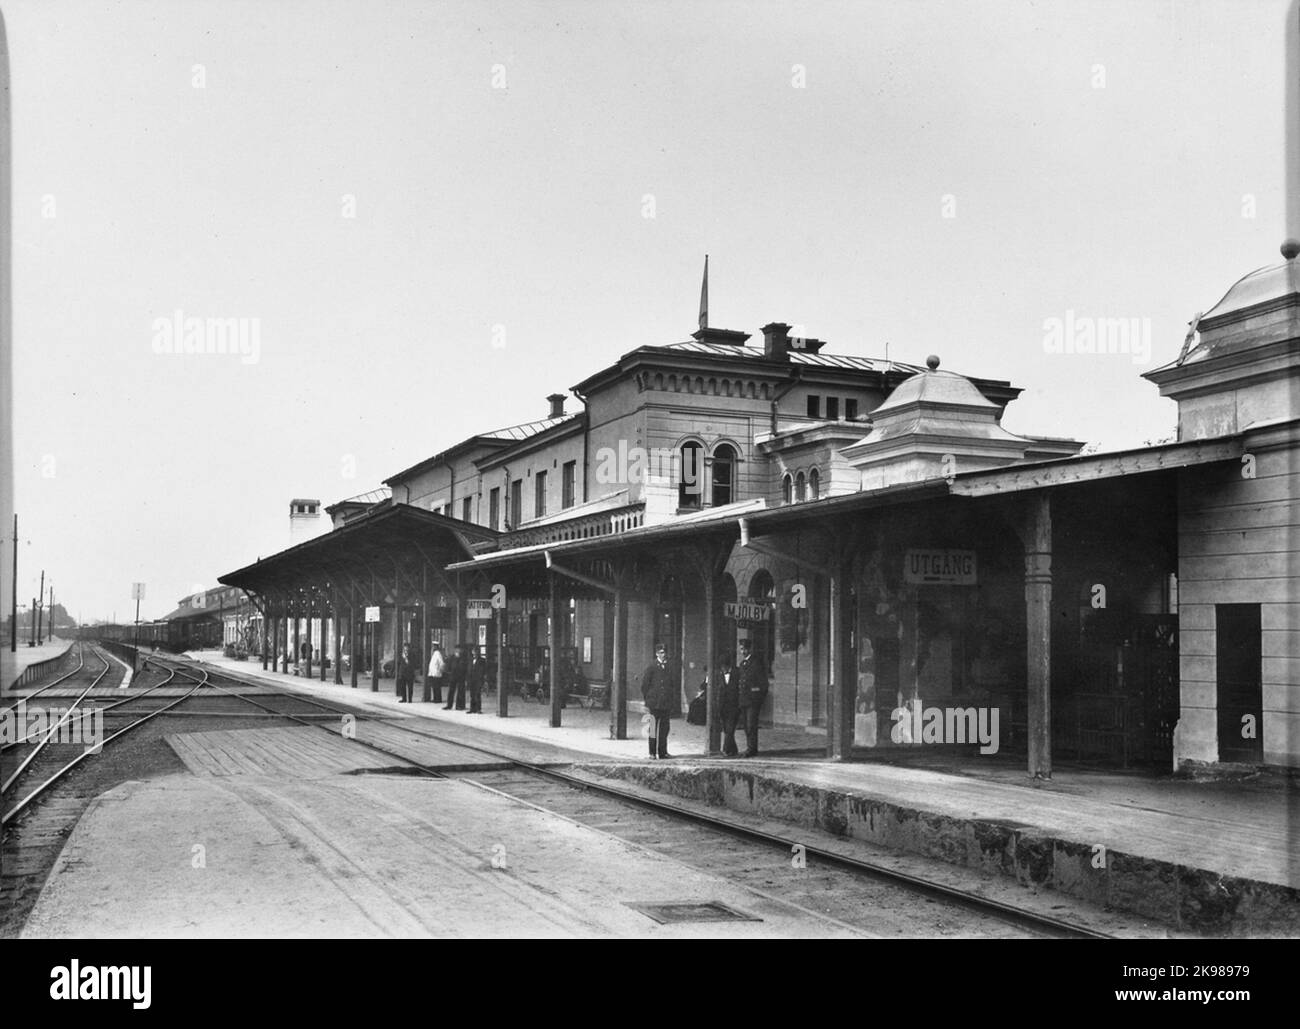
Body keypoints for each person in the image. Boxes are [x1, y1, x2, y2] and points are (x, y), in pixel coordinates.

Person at [640, 642, 676, 759]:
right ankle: (652, 753)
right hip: (654, 704)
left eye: (665, 652)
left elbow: (672, 684)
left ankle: (663, 752)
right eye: (661, 652)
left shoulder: (670, 666)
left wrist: (671, 699)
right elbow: (645, 685)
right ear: (656, 654)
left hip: (665, 704)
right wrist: (648, 699)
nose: (664, 654)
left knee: (664, 729)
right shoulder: (651, 667)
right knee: (653, 729)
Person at [737, 639, 768, 757]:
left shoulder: (756, 663)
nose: (743, 651)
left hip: (753, 701)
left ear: (750, 649)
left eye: (744, 649)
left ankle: (752, 749)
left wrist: (758, 699)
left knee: (751, 725)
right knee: (746, 725)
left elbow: (763, 684)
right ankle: (749, 747)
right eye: (741, 649)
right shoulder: (742, 664)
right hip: (744, 700)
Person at [715, 652, 740, 756]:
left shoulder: (737, 673)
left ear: (728, 666)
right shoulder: (719, 674)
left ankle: (725, 749)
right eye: (721, 667)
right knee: (726, 729)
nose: (722, 669)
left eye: (724, 667)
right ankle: (733, 750)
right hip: (723, 707)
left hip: (734, 706)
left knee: (730, 729)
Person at [443, 645, 467, 710]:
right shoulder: (452, 657)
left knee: (460, 691)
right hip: (453, 676)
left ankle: (459, 706)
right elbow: (448, 666)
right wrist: (449, 672)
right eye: (456, 649)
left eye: (459, 649)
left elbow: (465, 667)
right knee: (451, 691)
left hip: (461, 677)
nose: (458, 651)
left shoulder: (464, 657)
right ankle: (449, 705)